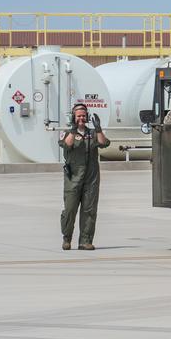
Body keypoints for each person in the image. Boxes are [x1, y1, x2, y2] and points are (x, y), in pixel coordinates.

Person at [60, 103, 109, 250]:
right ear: (74, 118)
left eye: (83, 115)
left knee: (89, 210)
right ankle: (67, 238)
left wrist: (98, 128)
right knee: (70, 210)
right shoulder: (68, 133)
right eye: (78, 116)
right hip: (73, 178)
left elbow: (103, 143)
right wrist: (74, 129)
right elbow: (67, 145)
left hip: (91, 178)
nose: (81, 118)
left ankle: (85, 241)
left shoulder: (92, 133)